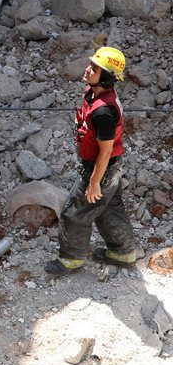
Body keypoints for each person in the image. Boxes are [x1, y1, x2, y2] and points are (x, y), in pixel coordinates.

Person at [46, 47, 139, 276]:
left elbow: (105, 152)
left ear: (106, 77)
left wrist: (95, 182)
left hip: (102, 169)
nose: (88, 70)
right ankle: (123, 253)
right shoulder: (95, 93)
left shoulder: (104, 112)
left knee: (74, 213)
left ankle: (71, 259)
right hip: (111, 169)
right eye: (91, 65)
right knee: (109, 210)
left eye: (95, 69)